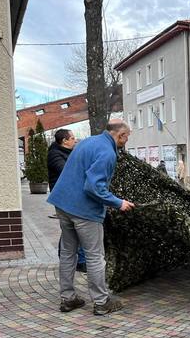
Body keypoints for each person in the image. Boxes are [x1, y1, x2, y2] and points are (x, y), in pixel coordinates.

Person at [47, 120, 135, 315]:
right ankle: (102, 302)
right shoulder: (107, 153)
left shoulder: (88, 142)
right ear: (120, 135)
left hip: (62, 204)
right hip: (84, 211)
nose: (126, 141)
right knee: (95, 256)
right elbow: (93, 187)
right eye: (127, 137)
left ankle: (68, 299)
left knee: (68, 253)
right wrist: (118, 202)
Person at [47, 129, 87, 272]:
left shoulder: (68, 153)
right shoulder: (55, 155)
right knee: (75, 227)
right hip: (64, 197)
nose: (75, 140)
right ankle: (79, 260)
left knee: (70, 228)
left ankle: (70, 257)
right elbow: (66, 171)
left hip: (71, 196)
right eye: (72, 138)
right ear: (64, 141)